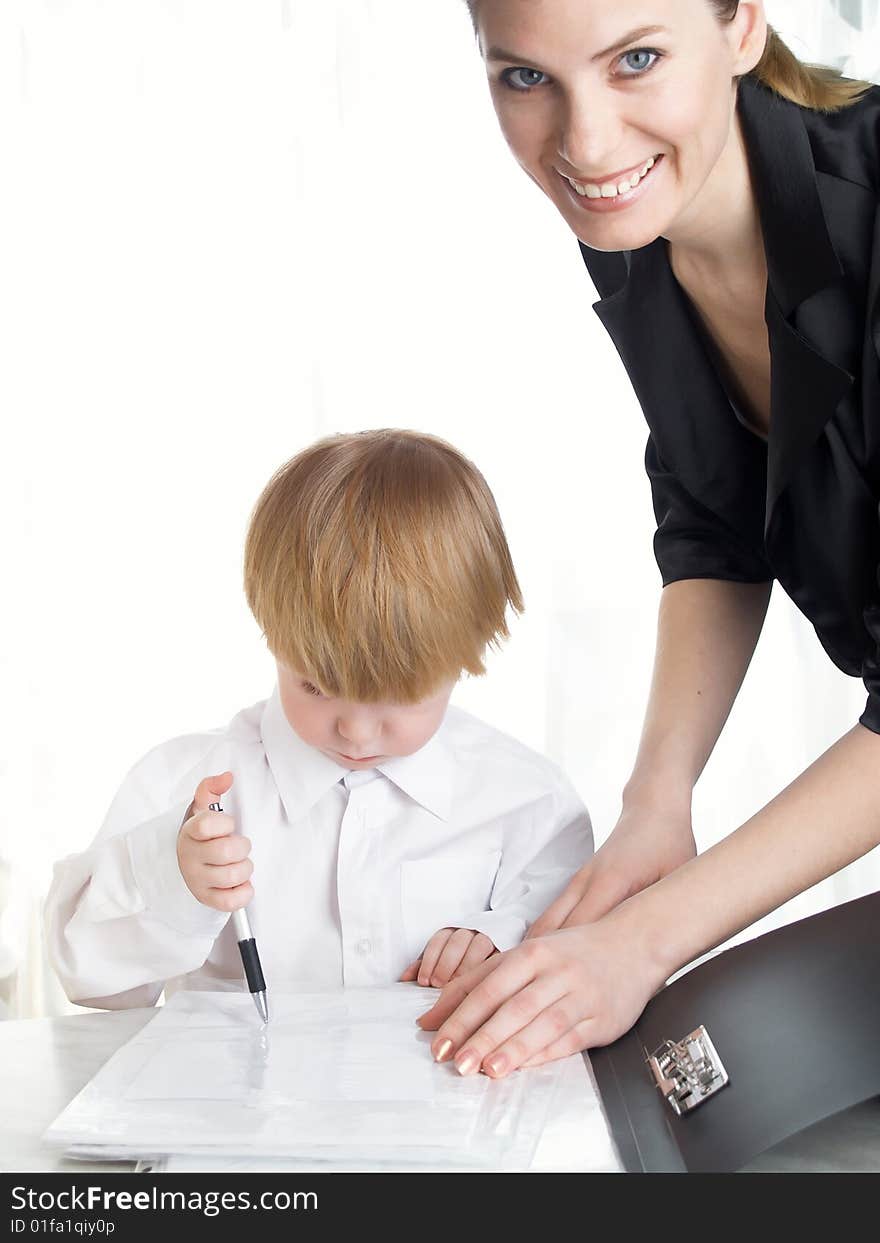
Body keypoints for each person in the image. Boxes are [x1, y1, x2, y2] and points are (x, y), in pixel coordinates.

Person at [418, 0, 880, 1079]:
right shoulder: (640, 224)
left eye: (635, 60)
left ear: (742, 27)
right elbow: (717, 521)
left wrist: (647, 936)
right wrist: (654, 806)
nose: (584, 145)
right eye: (525, 78)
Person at [45, 430, 592, 1008]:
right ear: (270, 633)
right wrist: (172, 878)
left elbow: (579, 948)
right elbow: (90, 982)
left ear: (466, 655)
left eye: (400, 698)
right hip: (236, 1099)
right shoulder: (183, 782)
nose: (355, 731)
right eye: (316, 686)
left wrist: (500, 941)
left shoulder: (526, 800)